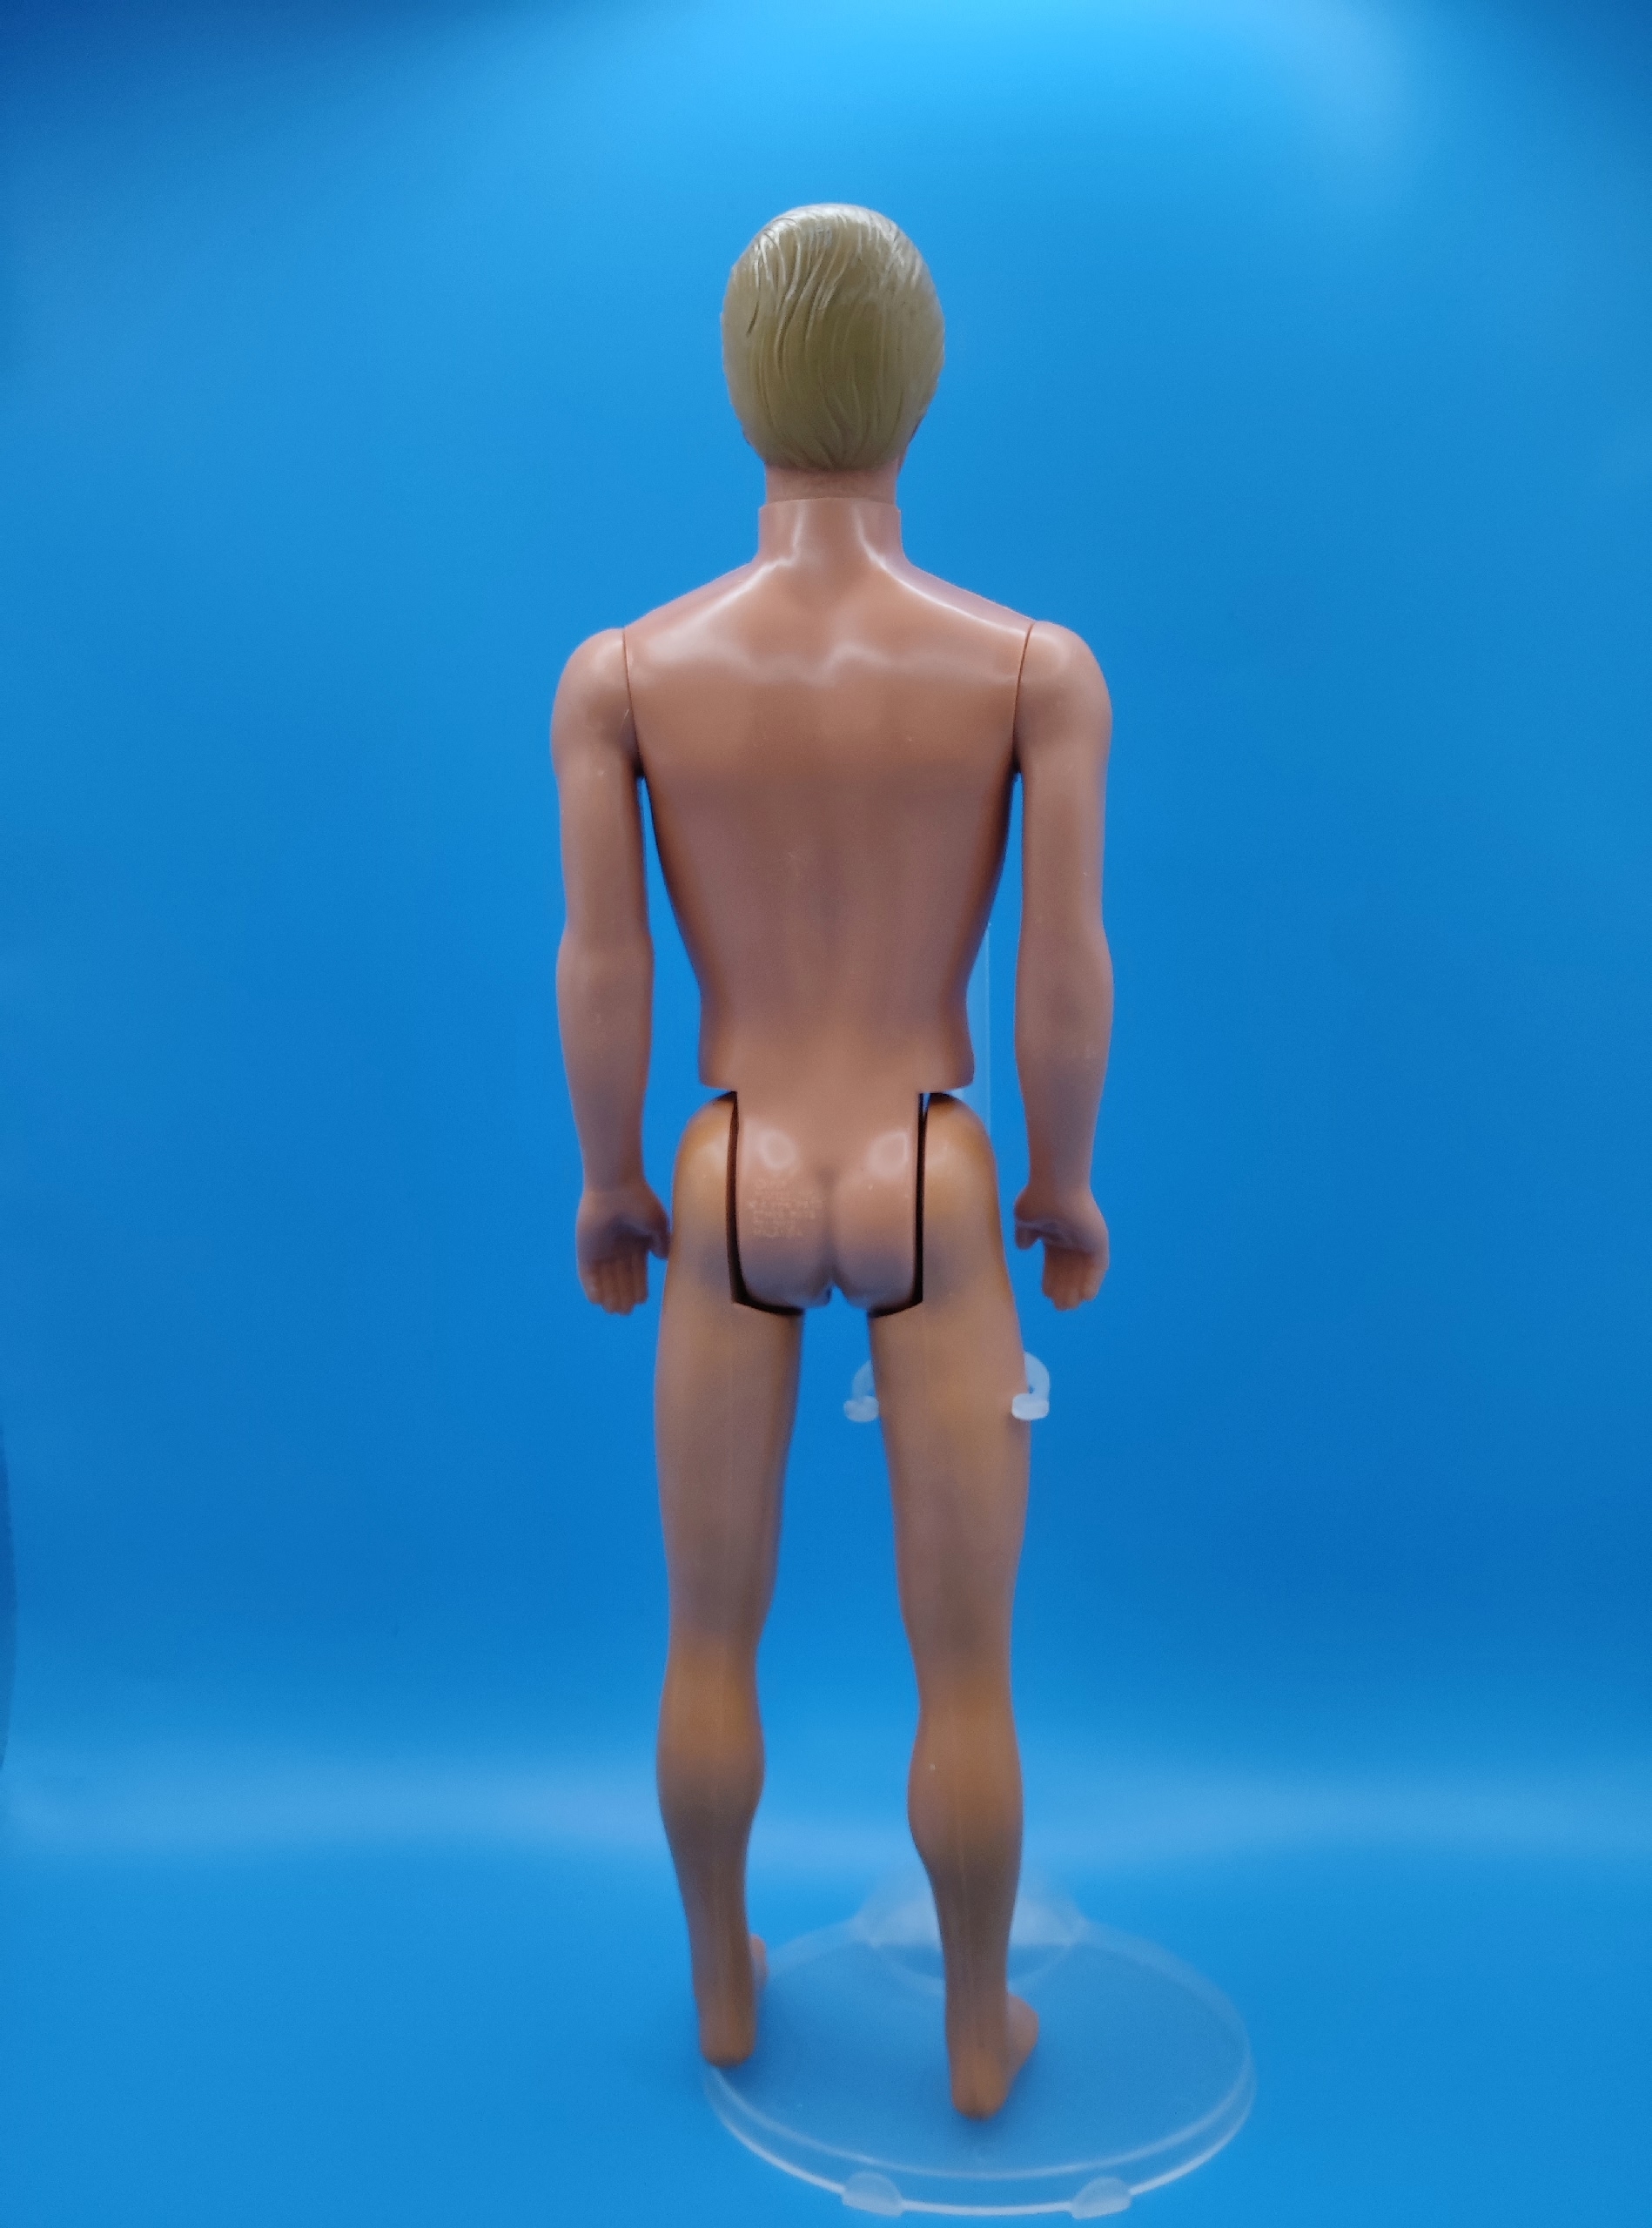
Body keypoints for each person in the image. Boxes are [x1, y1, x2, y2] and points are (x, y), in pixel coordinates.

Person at [552, 205, 1112, 2119]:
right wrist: (1064, 1181)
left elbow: (604, 960)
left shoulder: (627, 672)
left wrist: (608, 1179)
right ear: (919, 388)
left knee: (708, 1631)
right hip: (927, 1163)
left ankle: (723, 1981)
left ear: (741, 391)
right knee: (967, 1667)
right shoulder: (1029, 666)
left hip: (732, 1164)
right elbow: (1062, 965)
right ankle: (973, 2027)